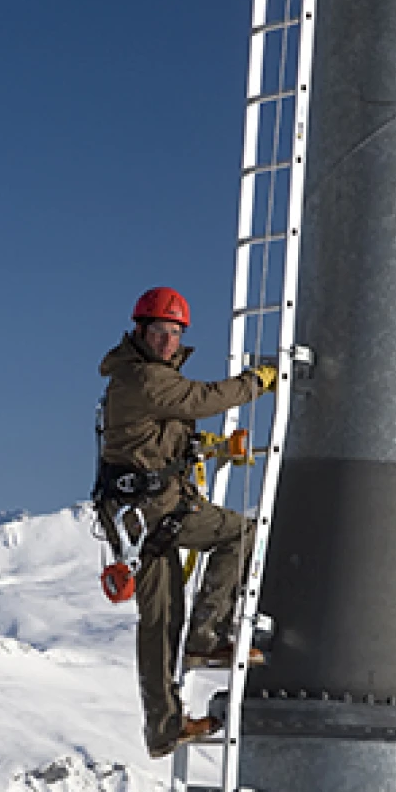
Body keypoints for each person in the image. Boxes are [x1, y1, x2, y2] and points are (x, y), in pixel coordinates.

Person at [95, 287, 276, 758]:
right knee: (241, 532)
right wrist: (257, 382)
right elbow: (202, 398)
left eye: (175, 333)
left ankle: (165, 727)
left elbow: (164, 436)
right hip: (154, 510)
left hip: (143, 512)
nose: (168, 341)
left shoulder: (145, 381)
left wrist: (213, 447)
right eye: (160, 331)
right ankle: (208, 636)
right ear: (140, 331)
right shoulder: (145, 380)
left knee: (159, 619)